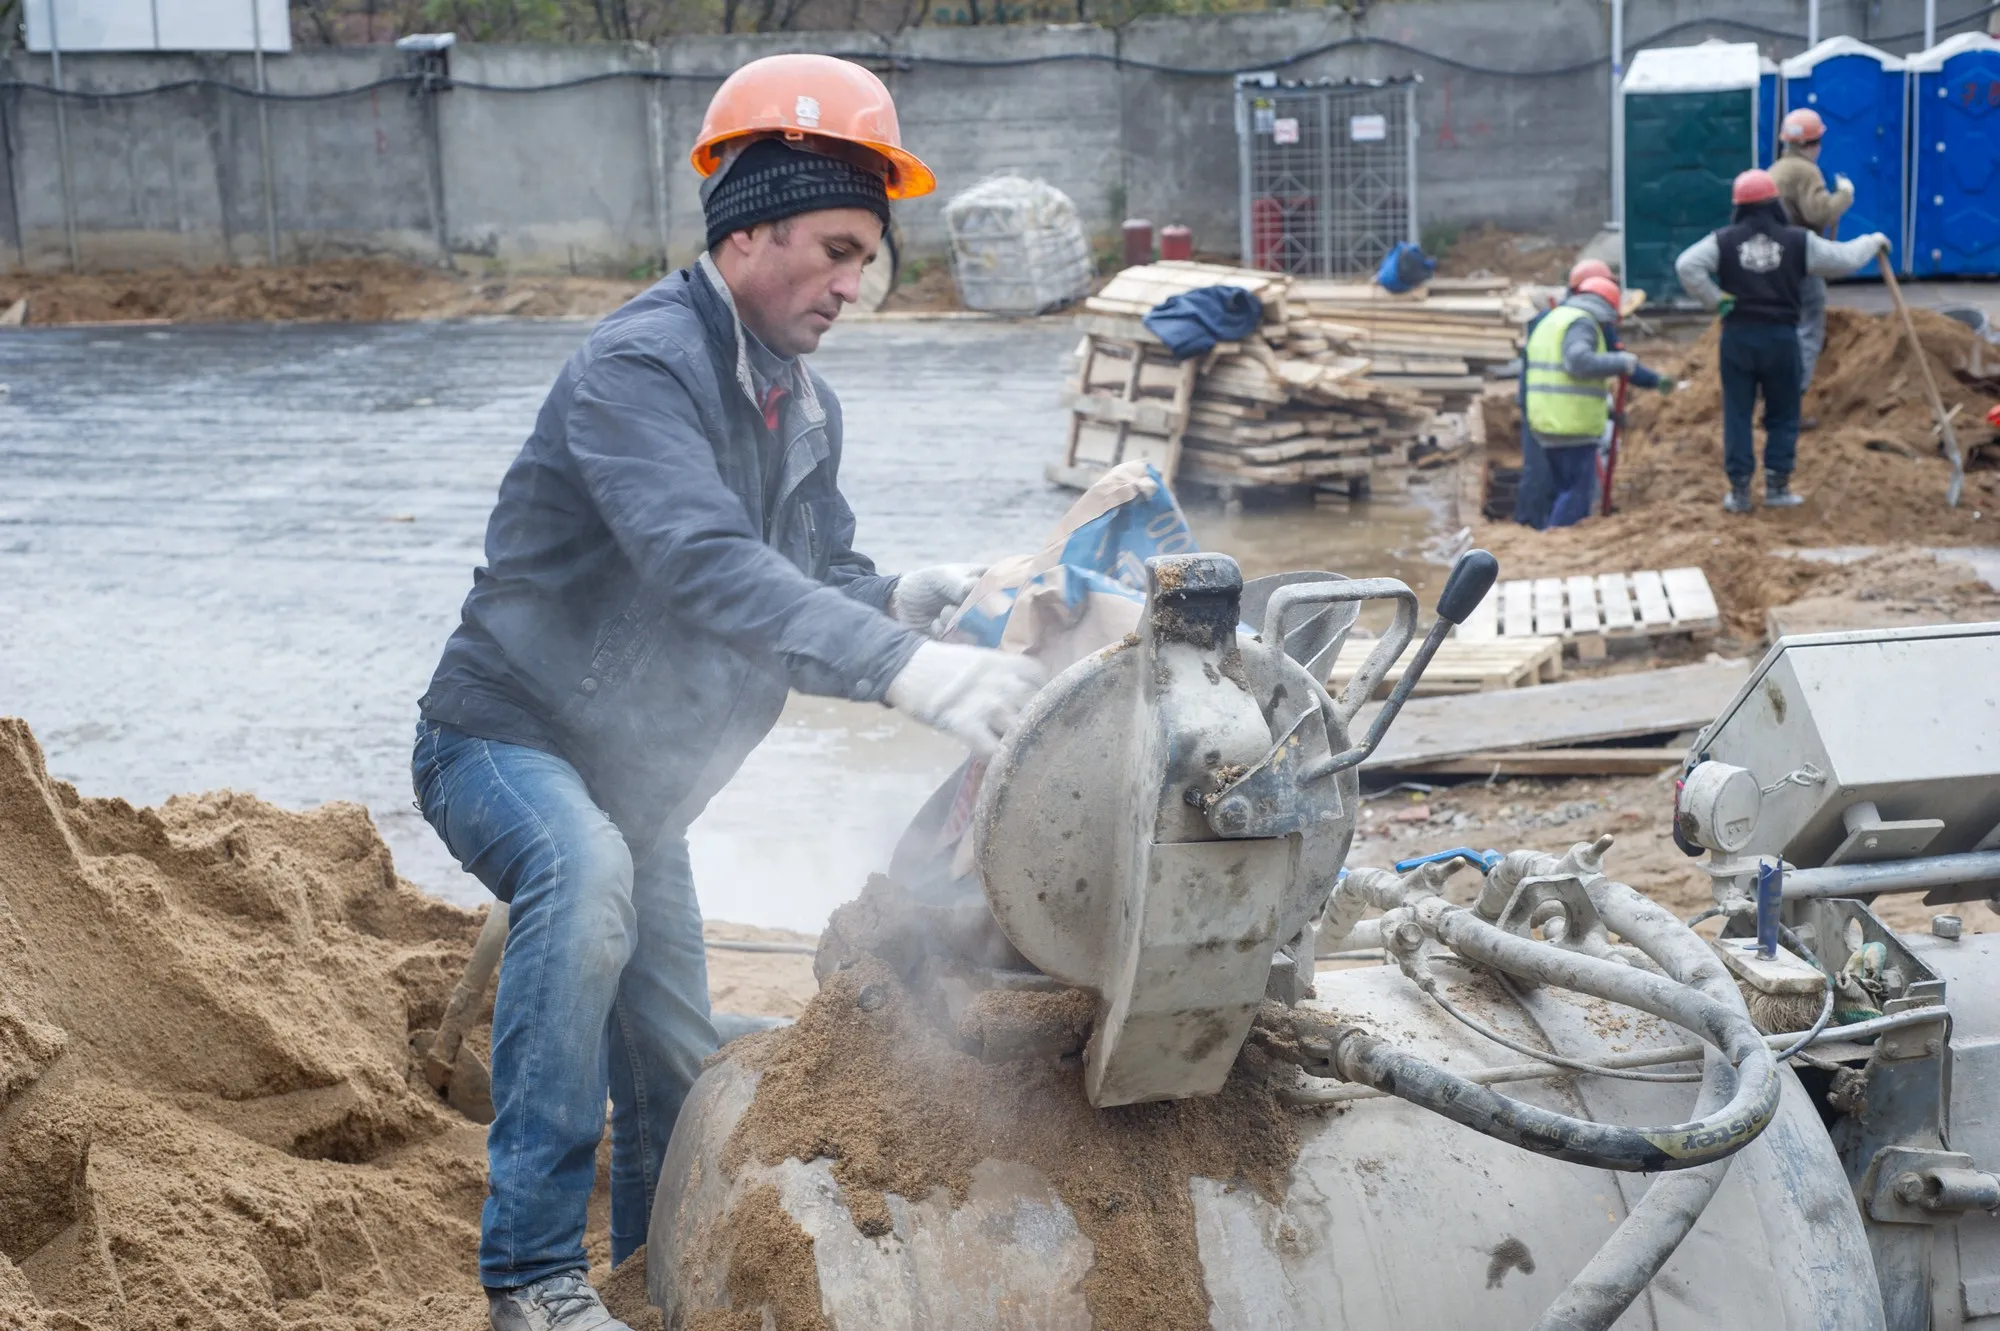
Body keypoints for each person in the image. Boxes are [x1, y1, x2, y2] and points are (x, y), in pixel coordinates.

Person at [412, 54, 1047, 1331]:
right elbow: (700, 561)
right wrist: (904, 669)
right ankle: (529, 1279)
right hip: (503, 737)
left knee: (667, 1042)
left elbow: (814, 579)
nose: (852, 285)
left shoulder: (800, 404)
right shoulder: (637, 369)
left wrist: (902, 603)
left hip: (637, 783)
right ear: (747, 231)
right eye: (835, 251)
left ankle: (646, 1275)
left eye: (866, 259)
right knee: (581, 877)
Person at [1674, 168, 1885, 513]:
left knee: (1738, 414)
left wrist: (1716, 300)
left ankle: (1740, 492)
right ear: (1775, 203)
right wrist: (1872, 242)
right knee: (1784, 414)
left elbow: (1686, 266)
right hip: (1781, 338)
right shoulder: (1798, 241)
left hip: (1738, 338)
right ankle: (1777, 487)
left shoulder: (1722, 241)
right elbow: (1844, 260)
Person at [1522, 273, 1674, 528]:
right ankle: (1560, 539)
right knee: (1576, 494)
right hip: (1571, 423)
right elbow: (1578, 361)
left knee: (1564, 487)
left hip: (1548, 419)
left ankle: (1554, 534)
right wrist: (1621, 362)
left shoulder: (1555, 319)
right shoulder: (1582, 323)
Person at [1514, 257, 1615, 529]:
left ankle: (1545, 526)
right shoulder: (1570, 321)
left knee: (1558, 479)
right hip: (1549, 408)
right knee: (1543, 475)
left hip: (1548, 408)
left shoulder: (1572, 318)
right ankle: (1533, 526)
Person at [1769, 107, 1855, 411]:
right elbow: (1819, 213)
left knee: (1785, 329)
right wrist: (1844, 196)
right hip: (1801, 261)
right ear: (1812, 143)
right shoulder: (1805, 171)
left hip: (1777, 262)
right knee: (1808, 329)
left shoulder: (1776, 169)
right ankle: (1790, 402)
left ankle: (1771, 394)